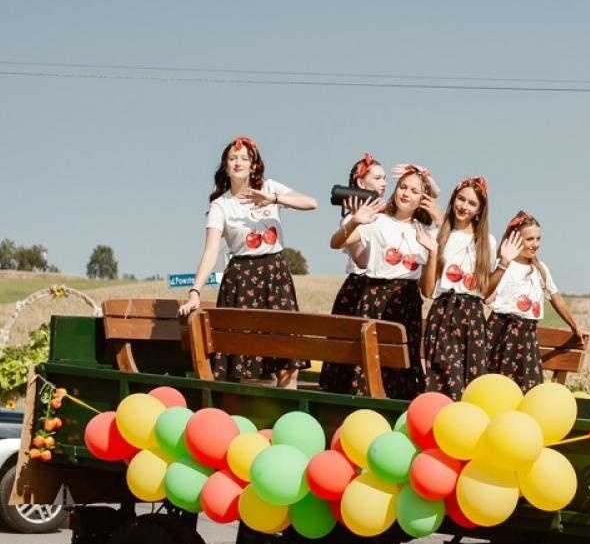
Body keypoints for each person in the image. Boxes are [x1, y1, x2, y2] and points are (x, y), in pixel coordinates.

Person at [181, 136, 317, 387]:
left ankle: (287, 417)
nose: (238, 162)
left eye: (244, 158)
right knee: (248, 364)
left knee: (289, 359)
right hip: (242, 279)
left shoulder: (270, 187)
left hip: (275, 275)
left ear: (254, 165)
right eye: (233, 158)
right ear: (225, 166)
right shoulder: (220, 206)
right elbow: (211, 252)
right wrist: (194, 292)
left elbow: (311, 203)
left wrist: (274, 199)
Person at [338, 163, 437, 398]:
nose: (406, 194)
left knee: (402, 362)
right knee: (369, 361)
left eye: (414, 191)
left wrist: (433, 253)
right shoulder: (378, 221)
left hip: (407, 300)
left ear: (422, 198)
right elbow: (337, 242)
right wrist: (354, 221)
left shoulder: (425, 231)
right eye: (403, 187)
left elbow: (427, 290)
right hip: (375, 296)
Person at [485, 211, 587, 391]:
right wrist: (503, 263)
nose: (535, 244)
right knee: (500, 386)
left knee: (529, 386)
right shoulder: (503, 265)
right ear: (514, 239)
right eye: (529, 239)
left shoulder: (540, 270)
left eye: (538, 238)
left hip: (528, 335)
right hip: (502, 331)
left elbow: (557, 299)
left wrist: (574, 325)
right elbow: (486, 293)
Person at [421, 175, 497, 397]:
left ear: (480, 210)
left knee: (472, 381)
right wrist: (434, 252)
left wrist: (504, 264)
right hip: (444, 311)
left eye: (472, 203)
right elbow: (426, 290)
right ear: (453, 199)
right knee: (444, 376)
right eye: (461, 199)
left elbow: (484, 291)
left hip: (472, 316)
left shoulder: (487, 242)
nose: (464, 206)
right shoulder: (437, 235)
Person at [319, 153, 385, 394]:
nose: (384, 183)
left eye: (384, 178)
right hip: (359, 289)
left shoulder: (385, 215)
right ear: (360, 183)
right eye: (377, 177)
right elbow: (362, 259)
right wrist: (359, 222)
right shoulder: (353, 219)